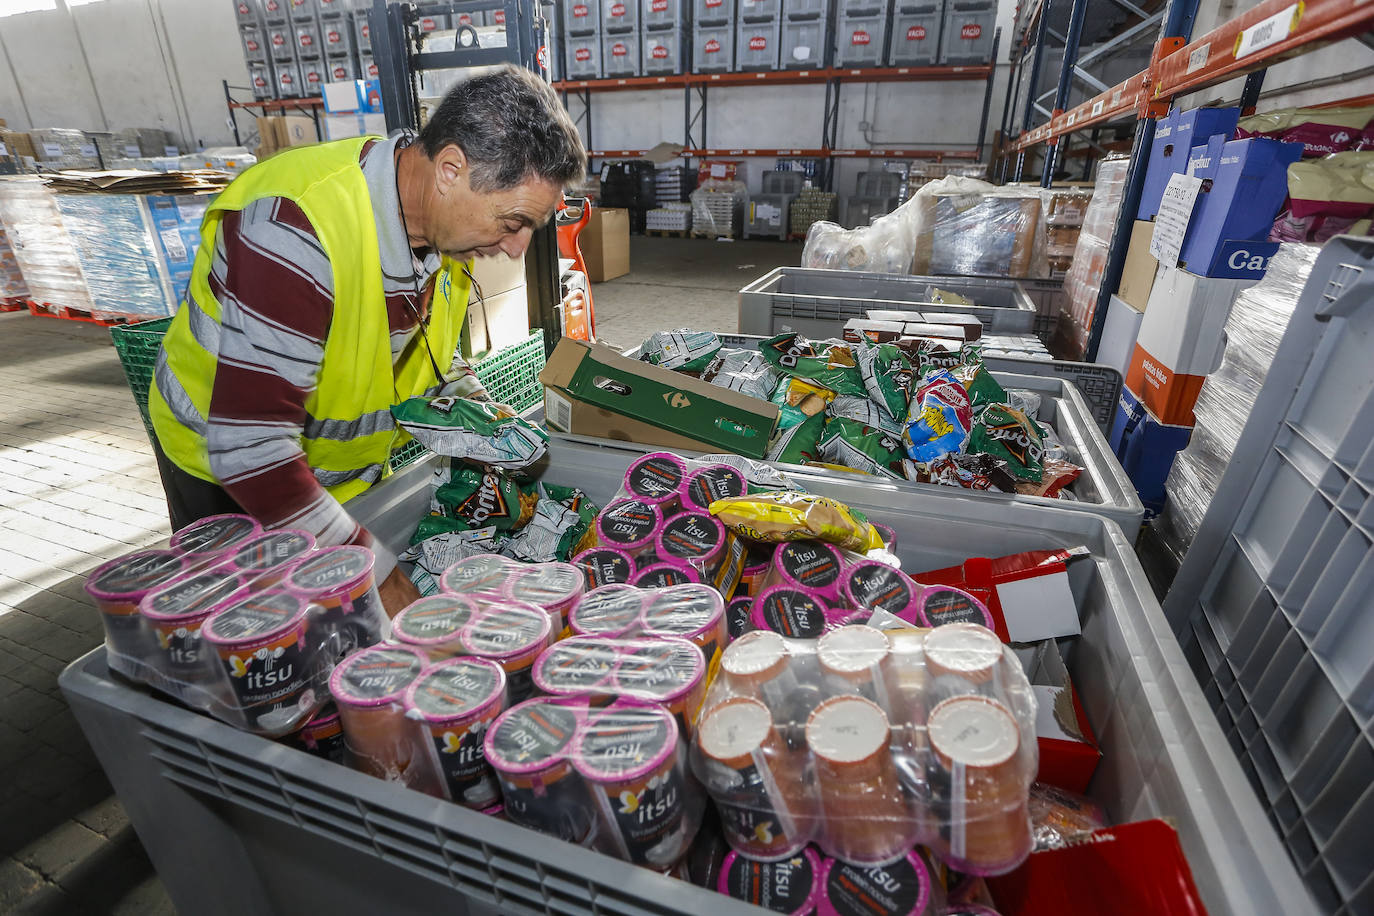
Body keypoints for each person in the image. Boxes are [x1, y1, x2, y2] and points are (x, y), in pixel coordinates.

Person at [148, 65, 586, 615]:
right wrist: (374, 573)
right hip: (231, 476)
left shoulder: (439, 231)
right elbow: (249, 447)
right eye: (514, 221)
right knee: (256, 637)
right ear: (451, 169)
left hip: (334, 480)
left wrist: (478, 412)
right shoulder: (295, 228)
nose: (518, 247)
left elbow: (416, 347)